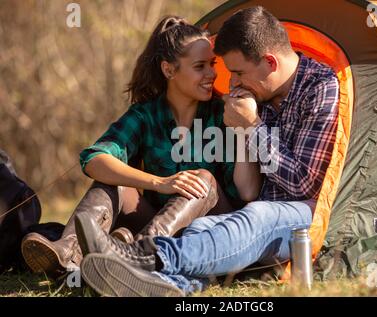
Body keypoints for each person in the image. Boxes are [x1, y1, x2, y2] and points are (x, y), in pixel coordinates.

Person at [75, 6, 339, 296]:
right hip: (244, 218)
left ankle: (141, 255)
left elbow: (303, 184)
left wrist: (251, 126)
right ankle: (163, 287)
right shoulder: (255, 93)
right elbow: (248, 192)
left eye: (237, 73)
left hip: (298, 217)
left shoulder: (319, 87)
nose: (231, 82)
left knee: (257, 215)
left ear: (270, 63)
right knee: (200, 232)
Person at [20, 16, 262, 277]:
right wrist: (160, 182)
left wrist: (242, 131)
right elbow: (94, 159)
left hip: (215, 227)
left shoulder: (223, 113)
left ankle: (136, 254)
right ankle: (67, 254)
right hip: (160, 223)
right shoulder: (145, 115)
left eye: (212, 64)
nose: (212, 74)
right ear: (169, 70)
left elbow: (247, 192)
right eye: (200, 66)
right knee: (114, 181)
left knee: (203, 179)